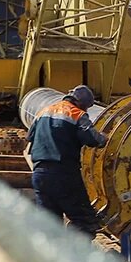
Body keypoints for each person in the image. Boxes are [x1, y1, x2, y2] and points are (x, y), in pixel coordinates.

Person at [26, 85, 107, 237]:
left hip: (39, 175)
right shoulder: (77, 114)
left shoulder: (43, 111)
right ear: (82, 103)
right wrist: (105, 137)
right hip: (64, 175)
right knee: (85, 220)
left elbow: (30, 137)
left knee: (49, 224)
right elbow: (93, 139)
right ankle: (76, 253)